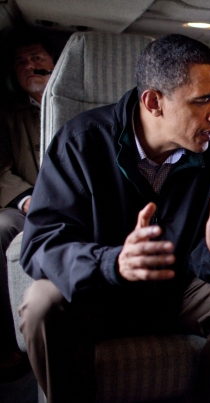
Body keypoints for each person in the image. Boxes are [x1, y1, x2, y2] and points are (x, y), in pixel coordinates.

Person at [18, 34, 210, 403]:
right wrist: (112, 263)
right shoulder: (82, 141)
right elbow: (40, 245)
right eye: (202, 100)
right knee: (41, 301)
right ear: (153, 102)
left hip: (175, 296)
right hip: (99, 297)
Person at [0, 29, 55, 379]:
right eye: (21, 63)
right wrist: (25, 201)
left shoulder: (81, 103)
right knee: (2, 226)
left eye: (37, 59)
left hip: (71, 202)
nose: (29, 66)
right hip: (24, 203)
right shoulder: (7, 116)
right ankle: (8, 339)